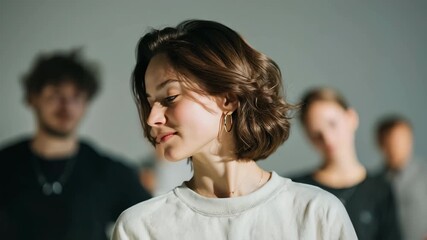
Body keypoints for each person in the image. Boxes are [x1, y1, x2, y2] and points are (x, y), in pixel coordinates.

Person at [112, 20, 357, 239]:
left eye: (170, 97)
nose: (152, 118)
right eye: (150, 102)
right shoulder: (140, 228)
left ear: (227, 99)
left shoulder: (316, 214)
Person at [0, 50, 151, 240]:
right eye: (55, 95)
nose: (67, 106)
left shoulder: (108, 172)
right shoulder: (4, 165)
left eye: (76, 97)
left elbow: (155, 224)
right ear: (33, 98)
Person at [292, 87, 401, 240]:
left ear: (351, 118)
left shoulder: (380, 189)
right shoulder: (297, 189)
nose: (328, 139)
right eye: (317, 133)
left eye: (332, 124)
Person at [376, 115, 427, 240]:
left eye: (404, 139)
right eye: (393, 140)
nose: (398, 145)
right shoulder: (374, 182)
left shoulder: (424, 175)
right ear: (381, 143)